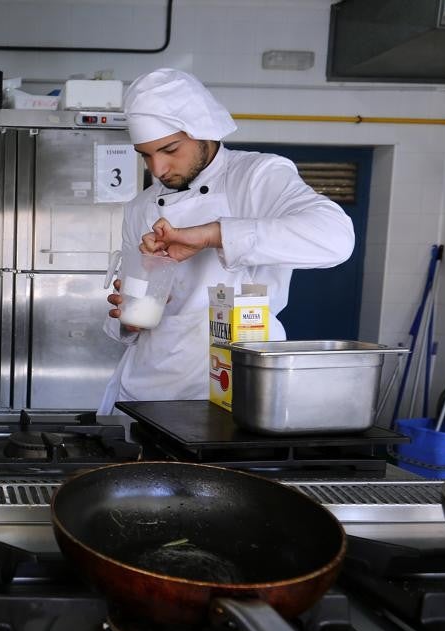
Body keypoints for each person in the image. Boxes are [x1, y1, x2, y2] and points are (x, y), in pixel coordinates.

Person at [100, 69, 354, 413]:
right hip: (146, 389)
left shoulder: (256, 177)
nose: (158, 168)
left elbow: (336, 238)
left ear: (203, 129)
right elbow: (135, 319)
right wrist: (130, 319)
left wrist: (212, 235)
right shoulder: (141, 207)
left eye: (170, 149)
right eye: (145, 155)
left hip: (233, 388)